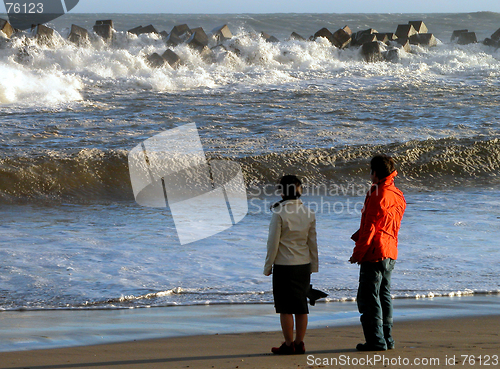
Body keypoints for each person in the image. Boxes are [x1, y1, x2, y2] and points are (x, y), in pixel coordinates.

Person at [350, 155, 406, 351]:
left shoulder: (377, 193)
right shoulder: (397, 194)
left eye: (371, 171)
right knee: (384, 295)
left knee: (368, 297)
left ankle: (376, 340)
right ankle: (387, 338)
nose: (370, 174)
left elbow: (371, 228)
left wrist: (357, 253)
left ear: (376, 172)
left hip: (375, 251)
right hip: (390, 250)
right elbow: (387, 223)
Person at [264, 175, 318, 355]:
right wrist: (314, 265)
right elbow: (312, 243)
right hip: (303, 265)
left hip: (284, 265)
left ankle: (288, 345)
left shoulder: (279, 212)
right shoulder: (309, 213)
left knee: (285, 308)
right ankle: (299, 342)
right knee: (301, 307)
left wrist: (268, 266)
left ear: (282, 191)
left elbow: (273, 244)